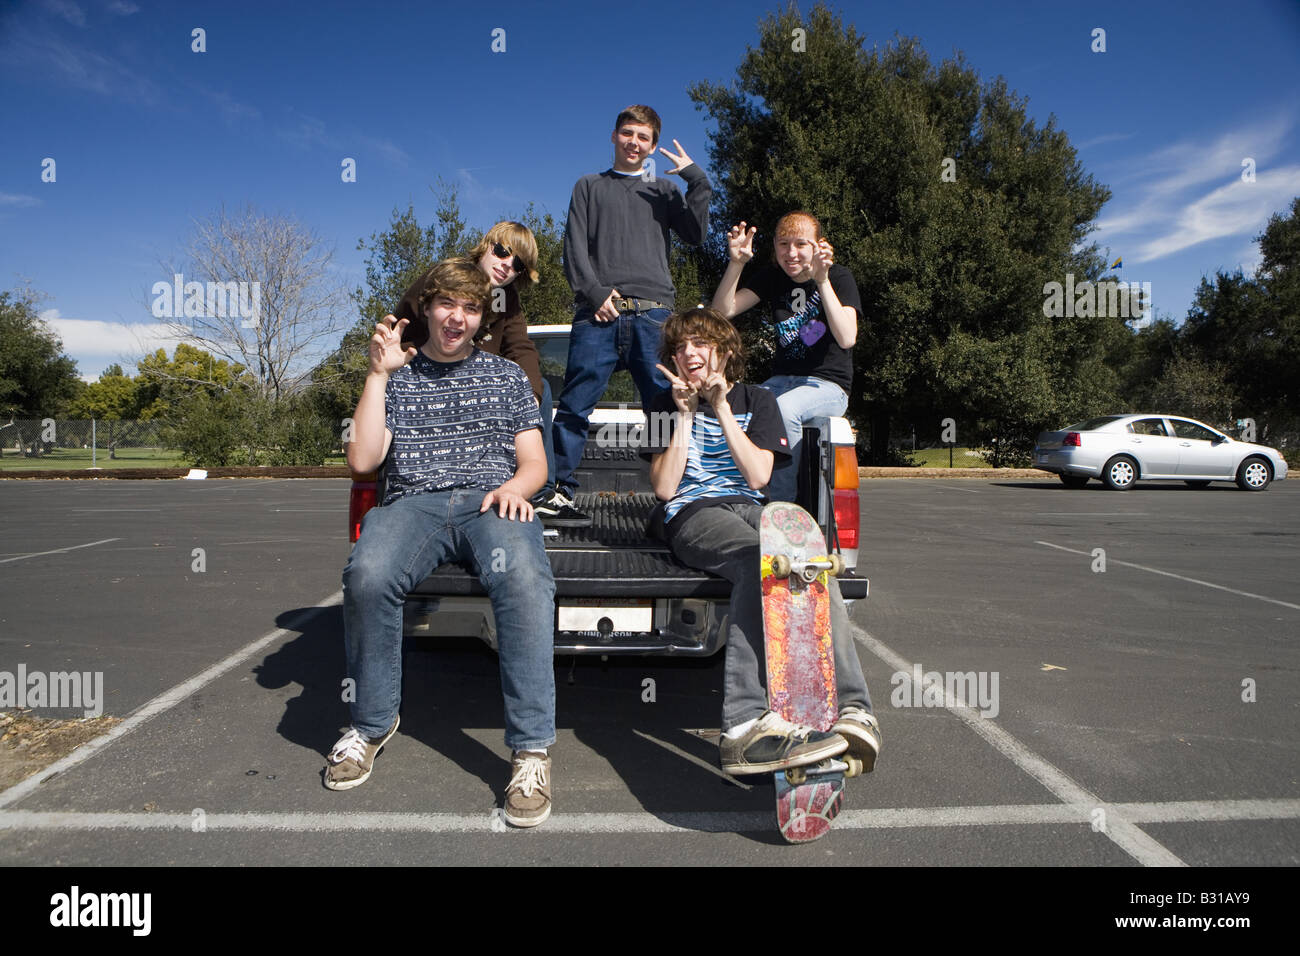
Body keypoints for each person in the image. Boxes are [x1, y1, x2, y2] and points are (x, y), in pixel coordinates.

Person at [328, 258, 557, 828]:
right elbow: (361, 460)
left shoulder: (505, 377)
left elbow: (536, 464)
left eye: (472, 308)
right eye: (448, 305)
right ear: (427, 308)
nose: (458, 317)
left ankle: (531, 751)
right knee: (369, 575)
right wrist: (377, 375)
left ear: (483, 318)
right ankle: (370, 724)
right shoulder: (396, 379)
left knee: (526, 580)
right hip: (414, 505)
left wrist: (515, 487)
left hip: (489, 502)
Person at [640, 307, 881, 775]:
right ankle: (743, 724)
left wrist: (723, 407)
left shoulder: (759, 401)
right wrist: (686, 416)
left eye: (700, 343)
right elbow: (665, 489)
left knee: (813, 558)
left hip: (750, 504)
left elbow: (758, 474)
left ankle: (853, 710)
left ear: (725, 352)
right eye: (679, 346)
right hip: (693, 512)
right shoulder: (661, 404)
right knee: (760, 560)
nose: (688, 353)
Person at [542, 104, 713, 524]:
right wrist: (595, 292)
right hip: (597, 315)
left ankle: (681, 494)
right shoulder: (588, 186)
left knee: (667, 406)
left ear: (652, 146)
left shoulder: (664, 191)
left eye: (643, 138)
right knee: (574, 405)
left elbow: (696, 234)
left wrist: (696, 178)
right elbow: (573, 249)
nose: (634, 143)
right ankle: (557, 492)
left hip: (654, 316)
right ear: (614, 136)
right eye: (628, 134)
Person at [393, 222, 576, 525]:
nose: (507, 265)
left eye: (518, 263)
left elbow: (521, 348)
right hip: (430, 378)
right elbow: (400, 330)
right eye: (503, 251)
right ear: (487, 244)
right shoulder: (447, 277)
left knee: (538, 384)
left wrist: (526, 396)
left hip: (480, 386)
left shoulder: (508, 300)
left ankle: (539, 491)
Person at [712, 212, 862, 503]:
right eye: (783, 244)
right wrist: (736, 264)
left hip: (828, 387)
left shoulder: (840, 278)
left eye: (801, 244)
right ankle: (729, 494)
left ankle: (781, 505)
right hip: (781, 380)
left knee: (781, 409)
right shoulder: (772, 277)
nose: (791, 253)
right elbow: (722, 312)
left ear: (819, 246)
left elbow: (847, 337)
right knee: (730, 403)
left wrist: (822, 281)